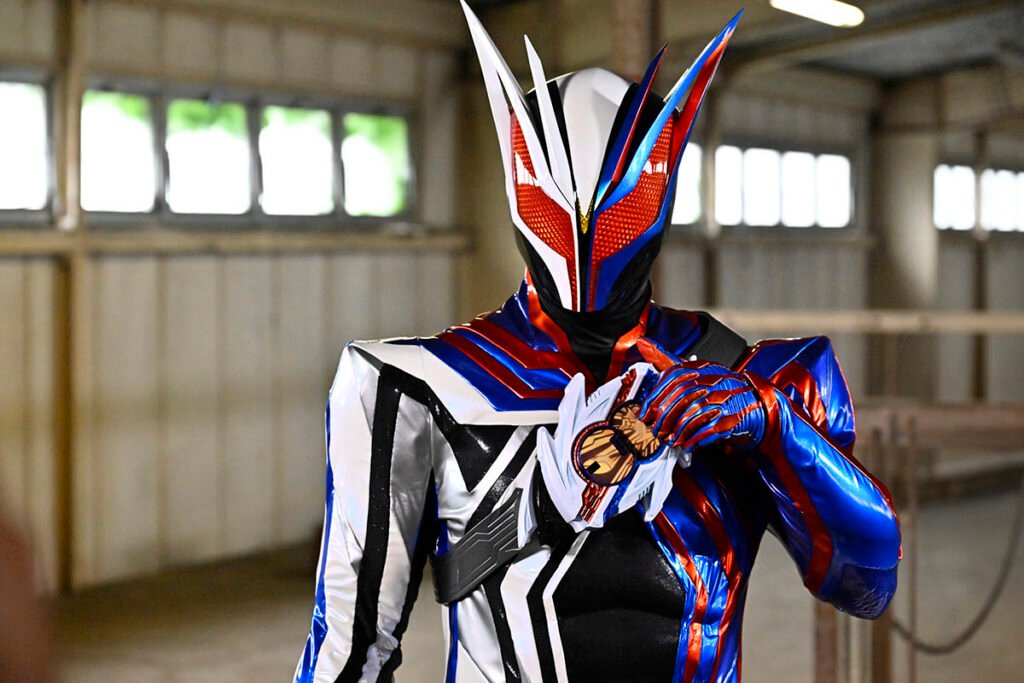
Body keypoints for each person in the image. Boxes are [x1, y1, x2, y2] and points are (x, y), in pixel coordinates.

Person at [295, 4, 901, 681]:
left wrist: (776, 426)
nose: (585, 235)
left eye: (615, 210)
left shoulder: (749, 376)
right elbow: (349, 645)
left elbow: (867, 584)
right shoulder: (415, 387)